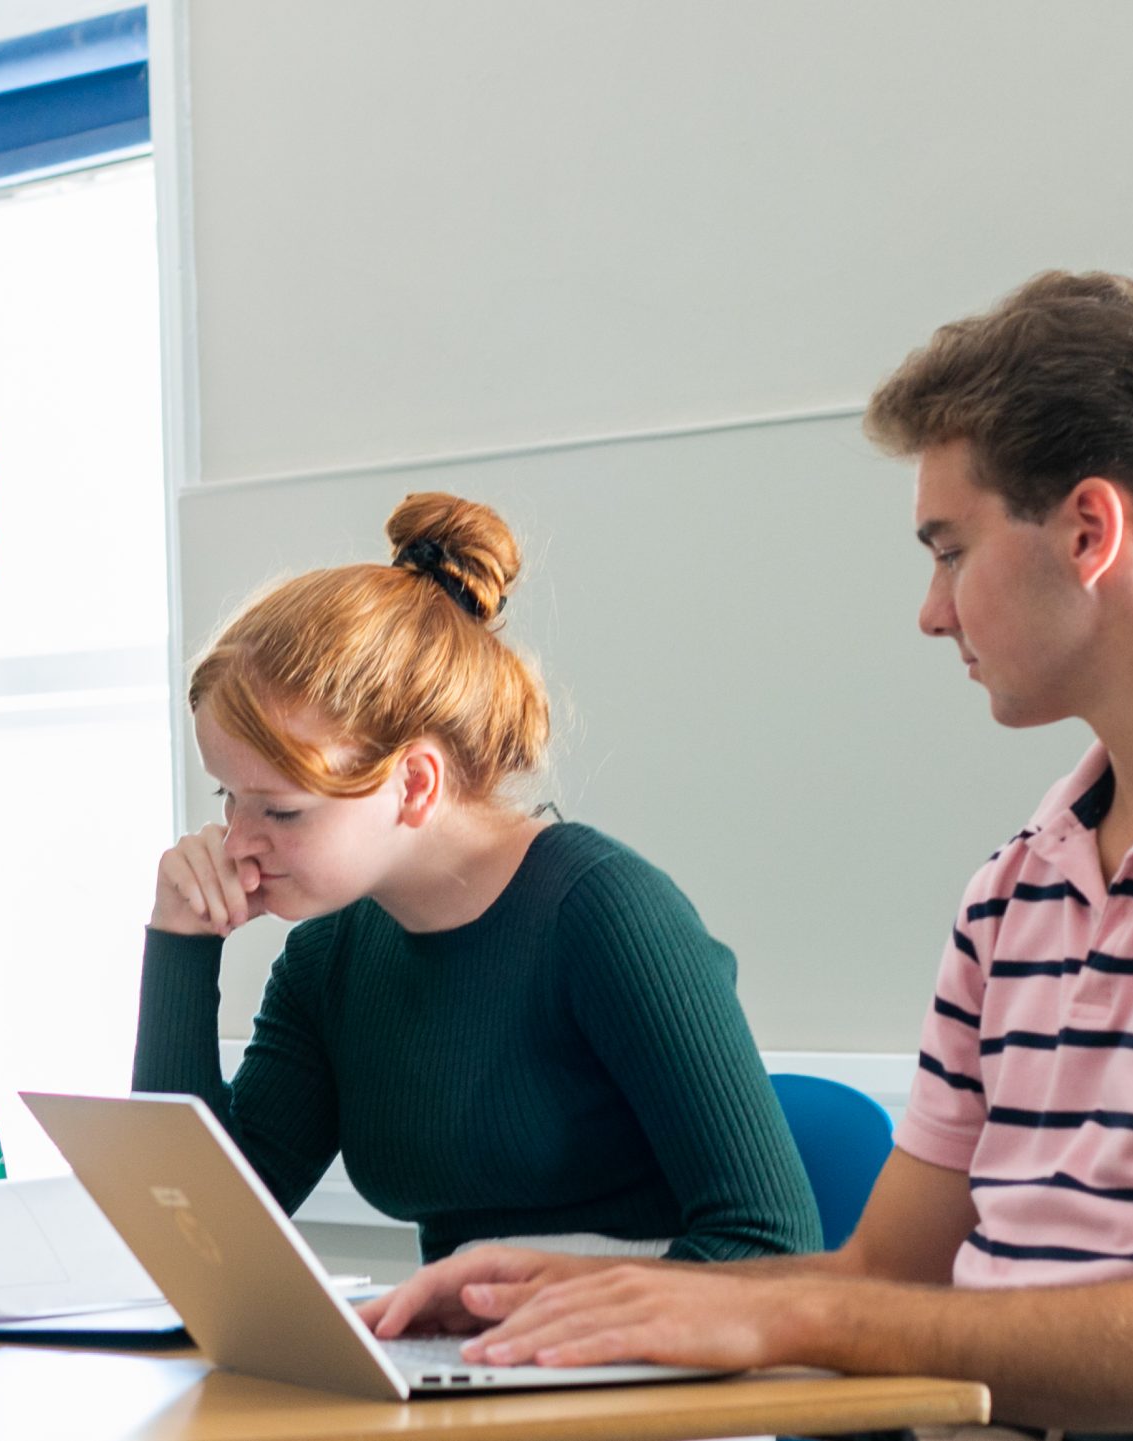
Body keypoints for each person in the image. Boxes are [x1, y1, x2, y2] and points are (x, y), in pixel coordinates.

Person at [361, 274, 1133, 1441]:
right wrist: (587, 1293)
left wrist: (784, 1325)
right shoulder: (1017, 890)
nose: (931, 611)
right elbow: (884, 1280)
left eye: (949, 551)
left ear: (1089, 531)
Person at [137, 491, 821, 1265]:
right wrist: (181, 946)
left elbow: (772, 1248)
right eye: (228, 796)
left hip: (646, 1375)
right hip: (477, 1373)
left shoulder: (605, 915)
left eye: (282, 811)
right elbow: (194, 1241)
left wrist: (515, 1305)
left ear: (416, 784)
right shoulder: (329, 960)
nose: (236, 842)